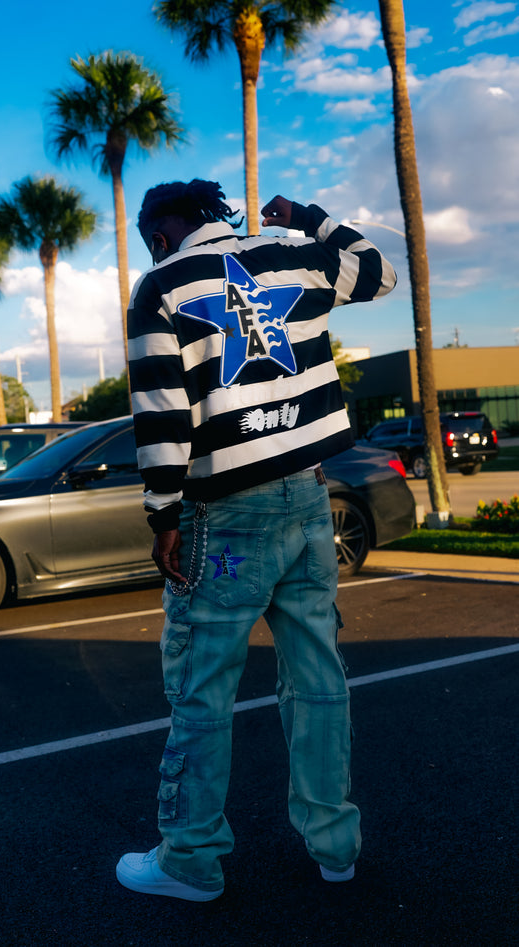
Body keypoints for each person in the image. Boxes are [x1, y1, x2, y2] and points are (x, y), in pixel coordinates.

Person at [116, 180, 396, 902]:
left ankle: (190, 859)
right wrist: (308, 218)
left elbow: (161, 415)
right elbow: (378, 272)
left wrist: (162, 517)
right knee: (316, 676)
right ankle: (335, 846)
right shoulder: (289, 255)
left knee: (202, 688)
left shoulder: (161, 287)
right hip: (309, 496)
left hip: (223, 514)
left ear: (160, 234)